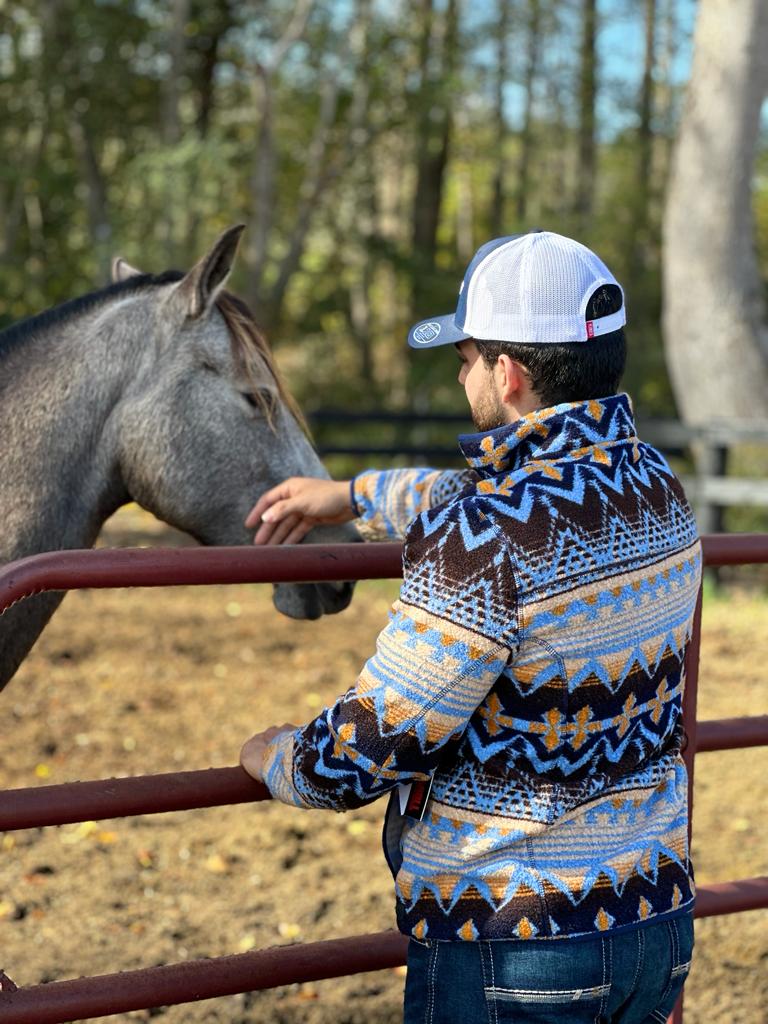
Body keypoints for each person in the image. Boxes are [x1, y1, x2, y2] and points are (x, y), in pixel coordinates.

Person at [240, 231, 700, 1023]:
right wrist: (352, 494)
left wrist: (272, 757)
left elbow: (368, 749)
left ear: (510, 375)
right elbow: (508, 499)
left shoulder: (486, 537)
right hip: (652, 925)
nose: (461, 375)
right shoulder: (659, 489)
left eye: (466, 358)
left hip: (518, 944)